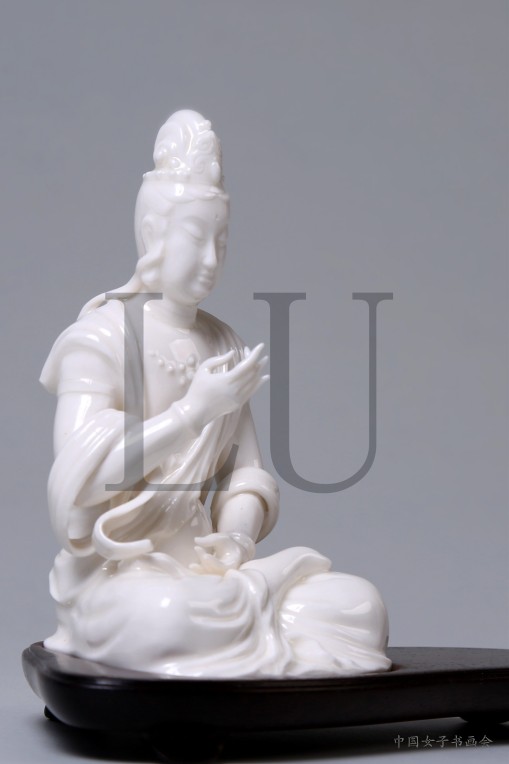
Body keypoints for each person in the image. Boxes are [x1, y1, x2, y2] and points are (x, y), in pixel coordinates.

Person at [40, 110, 391, 677]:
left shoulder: (222, 342)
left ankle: (239, 628)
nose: (210, 260)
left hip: (210, 572)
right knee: (165, 618)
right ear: (153, 235)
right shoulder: (99, 339)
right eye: (195, 239)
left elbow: (245, 475)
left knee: (357, 605)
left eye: (221, 242)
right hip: (125, 575)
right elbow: (82, 478)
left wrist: (236, 538)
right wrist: (192, 413)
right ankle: (235, 634)